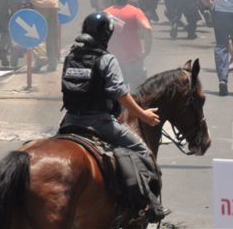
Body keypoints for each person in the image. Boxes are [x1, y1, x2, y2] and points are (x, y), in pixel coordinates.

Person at [58, 13, 166, 222]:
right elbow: (119, 92)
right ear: (105, 35)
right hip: (99, 122)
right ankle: (148, 205)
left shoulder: (70, 57)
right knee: (143, 151)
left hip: (69, 120)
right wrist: (143, 114)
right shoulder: (106, 59)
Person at [103, 0, 152, 91]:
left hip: (113, 61)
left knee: (114, 92)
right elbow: (147, 28)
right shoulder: (136, 12)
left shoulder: (106, 13)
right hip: (133, 59)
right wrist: (147, 50)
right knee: (137, 92)